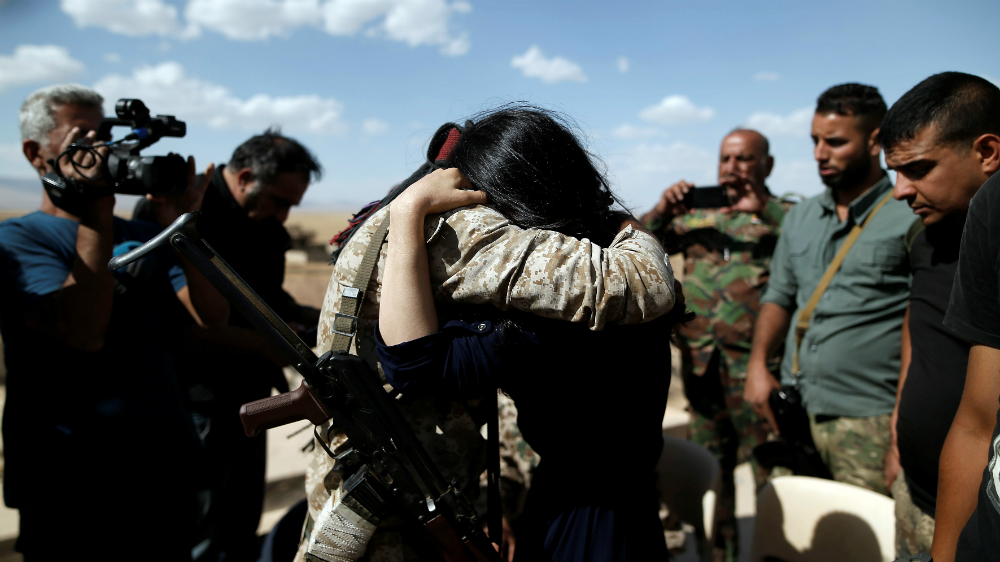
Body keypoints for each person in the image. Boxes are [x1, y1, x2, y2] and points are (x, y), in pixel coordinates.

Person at [295, 109, 677, 562]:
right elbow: (416, 364)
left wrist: (409, 211)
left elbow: (415, 364)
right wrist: (628, 227)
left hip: (590, 513)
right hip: (571, 501)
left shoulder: (555, 305)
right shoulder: (558, 277)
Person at [0, 84, 229, 559]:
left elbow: (211, 319)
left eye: (105, 134)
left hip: (162, 468)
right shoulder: (17, 240)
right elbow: (83, 333)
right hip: (68, 481)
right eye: (83, 136)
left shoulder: (143, 234)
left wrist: (183, 224)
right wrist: (96, 214)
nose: (102, 149)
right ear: (35, 152)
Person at [134, 129, 322, 561]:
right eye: (278, 200)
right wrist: (267, 346)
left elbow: (266, 297)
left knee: (238, 523)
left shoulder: (263, 224)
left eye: (292, 205)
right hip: (198, 401)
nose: (283, 215)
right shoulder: (179, 211)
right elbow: (182, 326)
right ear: (244, 178)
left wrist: (316, 319)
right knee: (199, 530)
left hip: (248, 399)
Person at [745, 83, 912, 495]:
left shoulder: (908, 215)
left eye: (835, 142)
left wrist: (901, 430)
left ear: (876, 141)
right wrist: (758, 365)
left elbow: (921, 326)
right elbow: (779, 295)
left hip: (867, 417)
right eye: (815, 141)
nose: (820, 153)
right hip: (794, 410)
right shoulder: (801, 216)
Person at [641, 128, 789, 560]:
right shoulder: (694, 217)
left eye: (744, 159)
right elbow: (641, 245)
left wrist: (766, 208)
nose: (732, 168)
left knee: (769, 466)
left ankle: (773, 550)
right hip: (703, 362)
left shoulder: (779, 215)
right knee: (713, 470)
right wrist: (662, 208)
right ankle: (717, 554)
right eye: (726, 158)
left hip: (757, 367)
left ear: (767, 165)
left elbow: (806, 239)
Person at [879, 72, 1000, 559]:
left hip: (978, 519)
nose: (900, 191)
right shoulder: (923, 237)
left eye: (918, 169)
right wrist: (896, 434)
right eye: (894, 172)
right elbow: (918, 331)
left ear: (987, 152)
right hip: (916, 491)